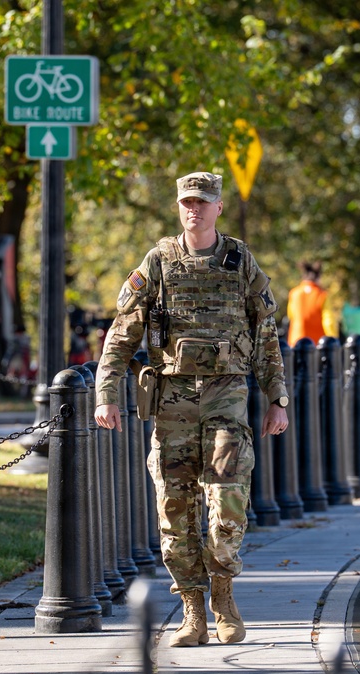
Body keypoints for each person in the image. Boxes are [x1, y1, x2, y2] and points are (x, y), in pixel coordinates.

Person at [94, 171, 290, 647]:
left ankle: (223, 598)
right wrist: (105, 392)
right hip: (173, 402)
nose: (193, 209)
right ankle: (192, 613)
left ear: (218, 207)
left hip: (226, 396)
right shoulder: (159, 262)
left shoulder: (239, 260)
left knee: (227, 502)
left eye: (202, 202)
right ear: (178, 206)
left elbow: (265, 335)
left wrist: (277, 398)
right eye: (186, 202)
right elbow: (123, 332)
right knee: (174, 510)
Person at [286, 260, 337, 345]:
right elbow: (328, 321)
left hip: (295, 342)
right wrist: (333, 340)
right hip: (317, 343)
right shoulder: (322, 295)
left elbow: (290, 315)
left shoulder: (294, 293)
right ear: (318, 277)